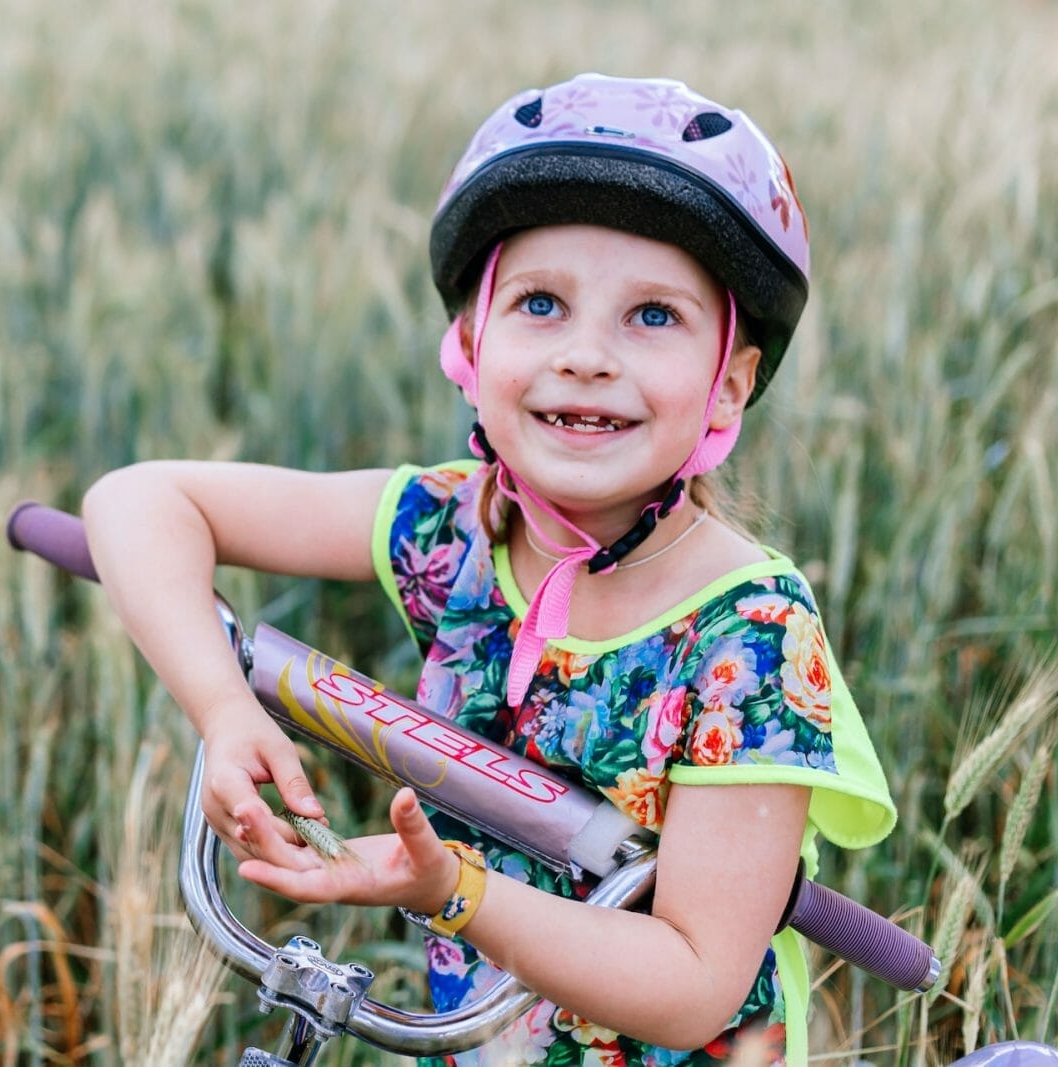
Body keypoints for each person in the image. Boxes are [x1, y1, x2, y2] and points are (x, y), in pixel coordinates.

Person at [82, 73, 896, 1066]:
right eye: (540, 302)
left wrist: (453, 893)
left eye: (653, 316)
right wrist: (224, 708)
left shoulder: (749, 634)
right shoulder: (445, 525)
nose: (586, 354)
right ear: (470, 342)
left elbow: (692, 985)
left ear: (728, 382)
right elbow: (139, 500)